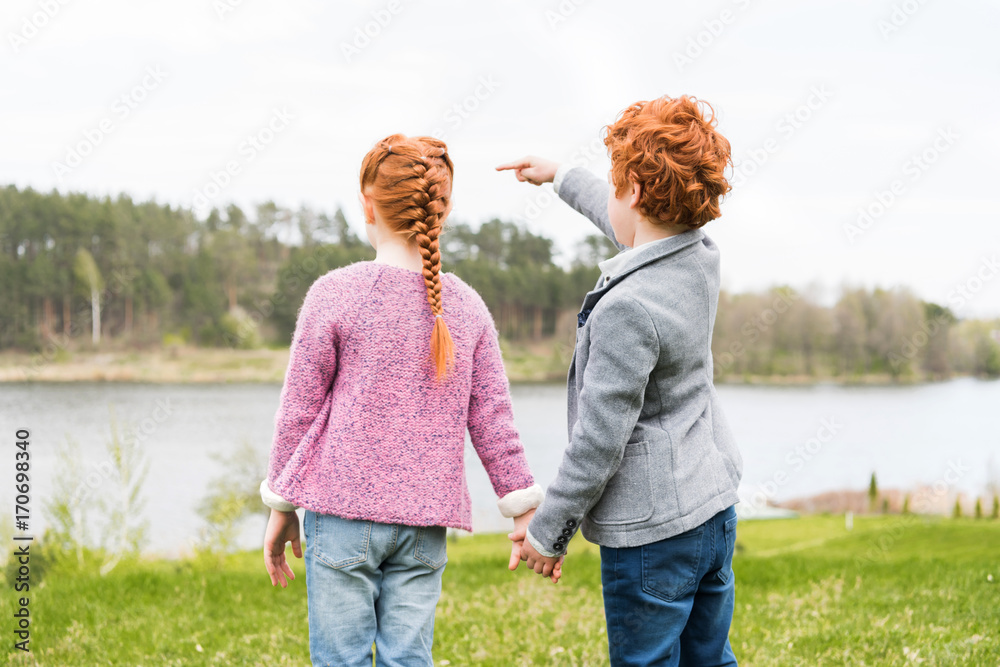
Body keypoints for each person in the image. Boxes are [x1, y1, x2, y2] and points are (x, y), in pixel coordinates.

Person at [260, 133, 553, 667]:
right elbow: (493, 421)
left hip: (342, 513)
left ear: (367, 206)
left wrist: (281, 504)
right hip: (423, 526)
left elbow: (297, 412)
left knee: (340, 660)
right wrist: (523, 508)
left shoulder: (333, 293)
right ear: (442, 211)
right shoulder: (468, 308)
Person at [497, 95, 744, 666]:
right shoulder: (697, 259)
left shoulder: (626, 309)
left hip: (654, 536)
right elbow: (626, 224)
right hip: (712, 510)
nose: (609, 197)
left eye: (614, 185)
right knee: (709, 658)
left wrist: (547, 532)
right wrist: (561, 177)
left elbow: (599, 441)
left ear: (633, 191)